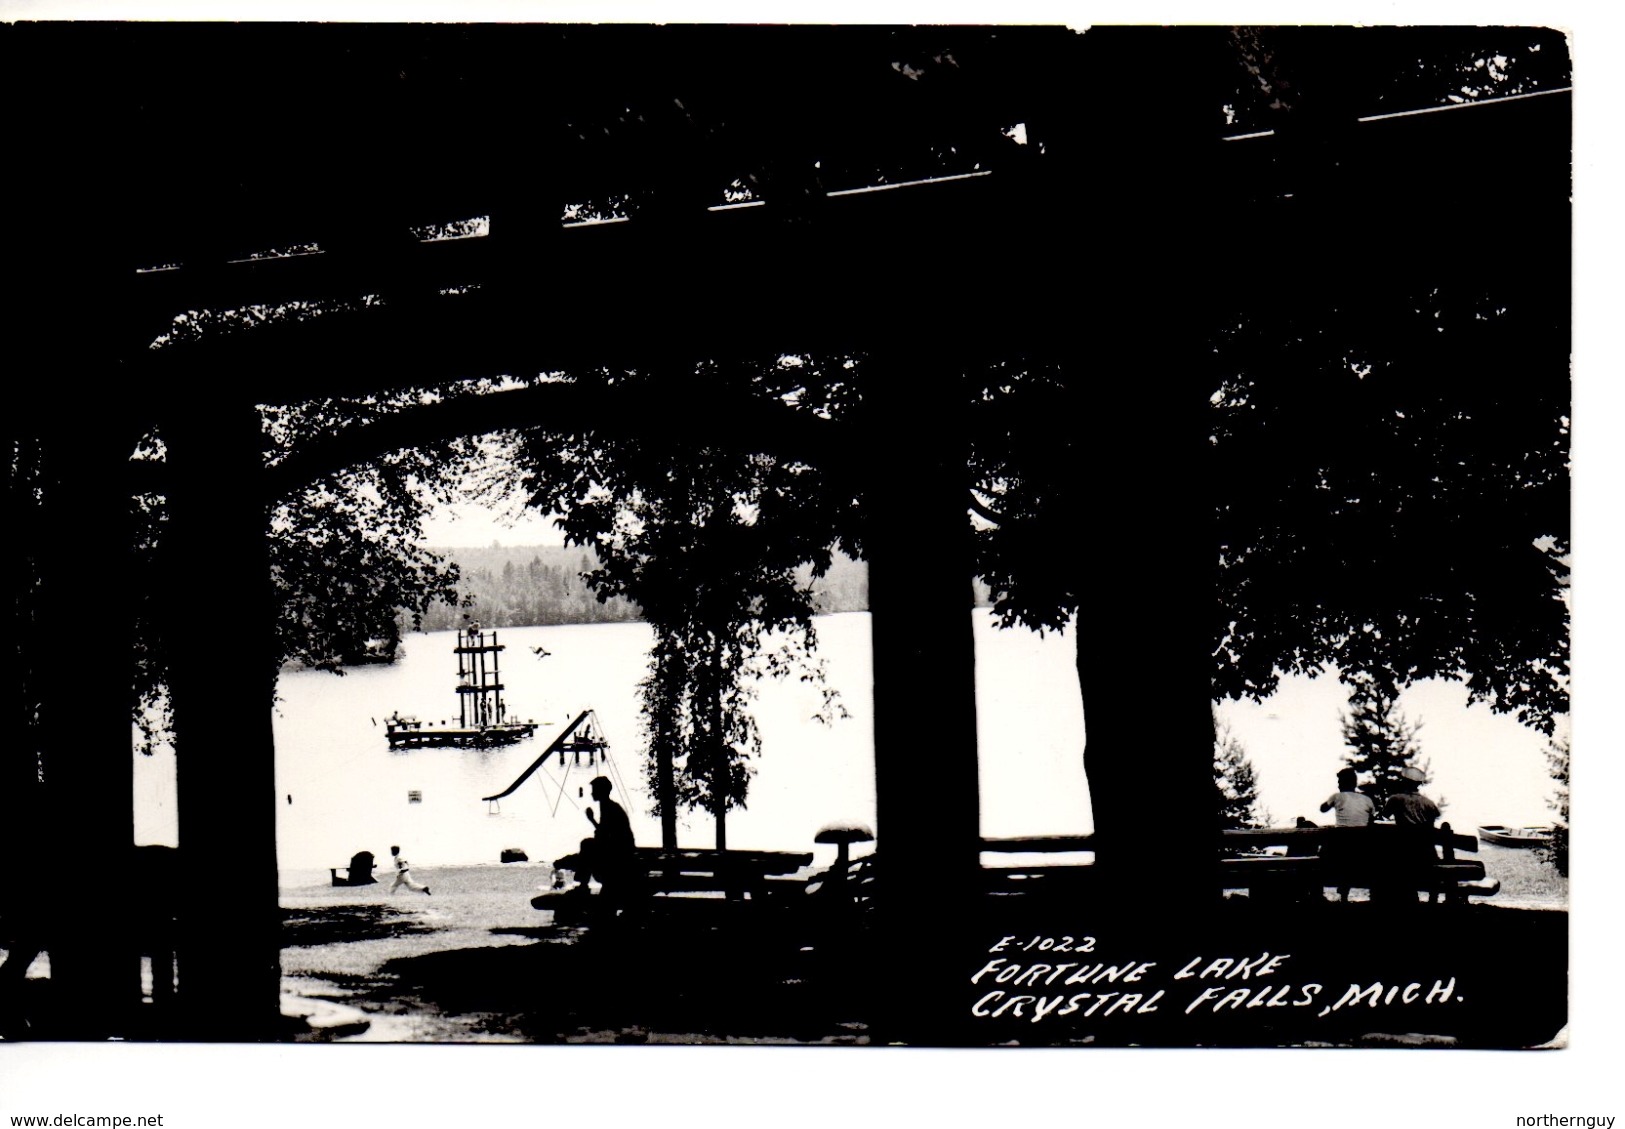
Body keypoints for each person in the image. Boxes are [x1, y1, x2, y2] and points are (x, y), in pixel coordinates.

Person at [1379, 765, 1441, 904]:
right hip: (1426, 851)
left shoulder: (1396, 799)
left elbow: (1384, 815)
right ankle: (1432, 898)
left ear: (1404, 781)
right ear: (1419, 784)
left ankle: (1408, 897)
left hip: (1404, 850)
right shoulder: (1428, 803)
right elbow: (1435, 816)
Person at [572, 777, 637, 910]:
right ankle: (583, 884)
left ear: (601, 791)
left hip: (619, 851)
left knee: (586, 845)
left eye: (594, 790)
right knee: (587, 845)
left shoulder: (609, 808)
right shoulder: (607, 806)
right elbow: (605, 834)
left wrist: (591, 820)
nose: (592, 793)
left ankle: (583, 884)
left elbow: (605, 833)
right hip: (618, 848)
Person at [1318, 768, 1376, 901]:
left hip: (1341, 839)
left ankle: (1323, 893)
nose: (1338, 785)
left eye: (1339, 781)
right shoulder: (1367, 799)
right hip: (1361, 841)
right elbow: (1371, 820)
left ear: (1343, 783)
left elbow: (1322, 809)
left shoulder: (1337, 796)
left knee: (1322, 860)